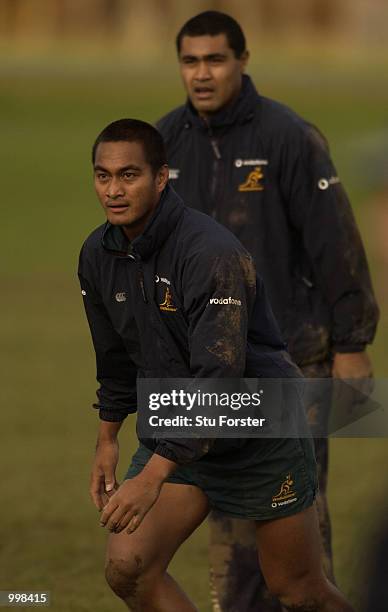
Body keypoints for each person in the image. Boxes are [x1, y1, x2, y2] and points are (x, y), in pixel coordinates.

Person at [78, 118, 355, 612]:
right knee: (129, 569)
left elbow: (220, 380)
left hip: (256, 424)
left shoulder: (210, 253)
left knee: (298, 591)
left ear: (162, 178)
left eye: (129, 176)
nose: (114, 191)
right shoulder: (99, 254)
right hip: (181, 421)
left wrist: (153, 475)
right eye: (103, 176)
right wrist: (106, 439)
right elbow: (115, 357)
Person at [156, 10, 379, 611]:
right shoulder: (164, 143)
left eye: (216, 59)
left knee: (296, 515)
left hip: (292, 358)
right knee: (228, 513)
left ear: (243, 61)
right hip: (207, 369)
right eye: (190, 60)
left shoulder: (288, 136)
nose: (202, 74)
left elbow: (337, 242)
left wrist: (353, 344)